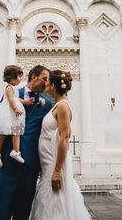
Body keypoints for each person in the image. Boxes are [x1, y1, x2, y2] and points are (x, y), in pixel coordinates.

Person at [0, 65, 52, 220]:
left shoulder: (47, 104)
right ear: (33, 77)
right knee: (1, 205)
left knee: (23, 209)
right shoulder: (12, 93)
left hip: (30, 163)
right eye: (44, 79)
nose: (46, 83)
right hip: (7, 160)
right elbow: (1, 117)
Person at [29, 70, 90, 219]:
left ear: (54, 86)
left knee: (55, 202)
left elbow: (64, 138)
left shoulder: (62, 106)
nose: (46, 85)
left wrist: (57, 170)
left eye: (48, 82)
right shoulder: (57, 105)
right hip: (47, 163)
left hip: (53, 163)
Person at [0, 65, 30, 168]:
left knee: (10, 132)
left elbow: (17, 98)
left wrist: (26, 102)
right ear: (12, 76)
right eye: (19, 76)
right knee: (15, 131)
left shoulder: (14, 88)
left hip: (13, 112)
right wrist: (15, 108)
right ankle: (14, 151)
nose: (21, 79)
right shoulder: (9, 88)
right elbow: (11, 99)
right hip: (11, 112)